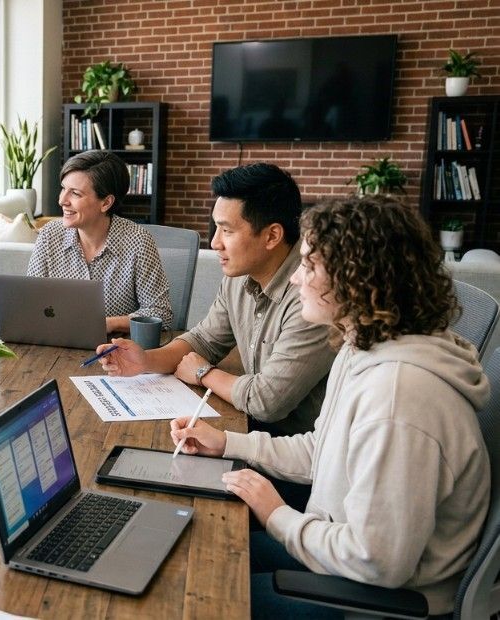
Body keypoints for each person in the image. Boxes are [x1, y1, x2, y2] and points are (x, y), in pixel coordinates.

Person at [171, 195, 490, 617]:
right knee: (196, 550)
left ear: (357, 281)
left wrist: (277, 514)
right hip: (336, 554)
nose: (295, 278)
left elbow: (378, 561)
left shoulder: (400, 398)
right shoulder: (363, 346)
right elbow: (323, 449)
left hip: (377, 600)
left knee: (198, 599)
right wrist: (228, 443)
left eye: (309, 266)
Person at [98, 162, 335, 435]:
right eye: (216, 227)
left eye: (227, 230)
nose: (214, 242)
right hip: (248, 428)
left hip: (292, 447)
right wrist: (144, 361)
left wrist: (204, 374)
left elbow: (267, 401)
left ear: (272, 236)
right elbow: (203, 340)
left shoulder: (313, 296)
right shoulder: (239, 276)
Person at [26, 150, 173, 333]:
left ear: (106, 203)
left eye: (75, 193)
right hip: (56, 341)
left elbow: (161, 314)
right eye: (63, 188)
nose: (62, 200)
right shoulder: (50, 234)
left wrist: (108, 323)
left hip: (114, 346)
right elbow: (31, 302)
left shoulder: (138, 241)